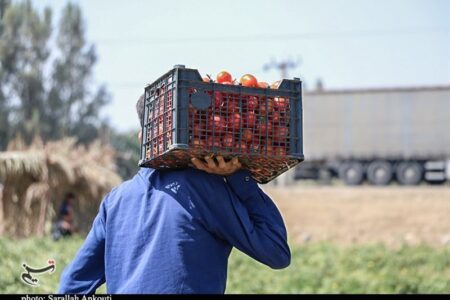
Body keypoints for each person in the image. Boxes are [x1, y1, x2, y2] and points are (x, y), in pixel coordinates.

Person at [58, 95, 290, 294]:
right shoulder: (204, 190)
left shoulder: (116, 200)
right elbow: (275, 251)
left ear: (143, 138)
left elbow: (72, 286)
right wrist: (239, 176)